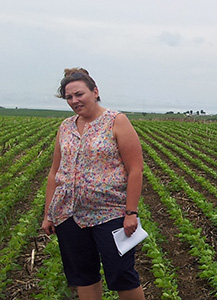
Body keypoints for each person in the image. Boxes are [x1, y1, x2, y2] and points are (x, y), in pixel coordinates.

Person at [42, 68, 145, 300]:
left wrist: (131, 212)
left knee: (122, 274)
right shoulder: (66, 127)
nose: (74, 101)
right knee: (83, 275)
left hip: (110, 213)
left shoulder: (116, 121)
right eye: (69, 97)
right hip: (69, 214)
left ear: (95, 92)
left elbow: (135, 169)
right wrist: (49, 214)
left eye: (79, 94)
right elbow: (54, 172)